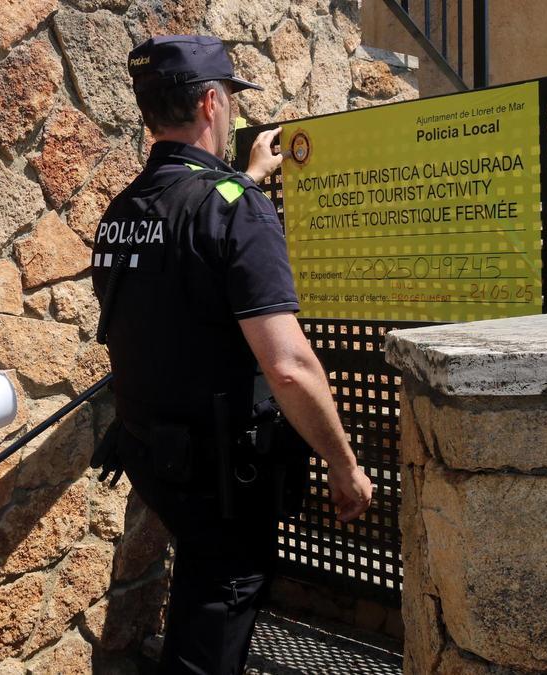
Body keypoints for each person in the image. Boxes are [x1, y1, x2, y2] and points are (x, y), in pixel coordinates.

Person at [90, 36, 375, 674]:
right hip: (223, 475)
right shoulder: (233, 213)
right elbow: (290, 365)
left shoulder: (122, 210)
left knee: (199, 589)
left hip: (156, 457)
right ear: (213, 103)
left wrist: (245, 178)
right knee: (214, 621)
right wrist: (343, 462)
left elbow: (182, 253)